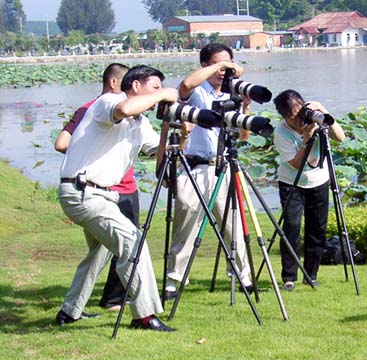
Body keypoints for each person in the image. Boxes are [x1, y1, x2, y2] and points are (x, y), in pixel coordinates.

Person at [56, 65, 178, 332]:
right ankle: (144, 316)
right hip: (83, 192)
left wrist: (176, 125)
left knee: (99, 251)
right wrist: (164, 95)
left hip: (99, 195)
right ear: (136, 87)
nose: (160, 93)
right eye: (155, 87)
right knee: (134, 243)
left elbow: (160, 150)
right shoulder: (109, 101)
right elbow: (123, 111)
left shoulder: (140, 122)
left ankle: (69, 311)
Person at [157, 43, 254, 299]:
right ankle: (174, 280)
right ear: (205, 65)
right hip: (196, 167)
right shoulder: (199, 92)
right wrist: (220, 66)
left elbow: (243, 136)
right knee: (186, 221)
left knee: (233, 225)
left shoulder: (233, 94)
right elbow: (186, 85)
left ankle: (243, 276)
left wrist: (244, 107)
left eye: (228, 64)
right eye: (217, 64)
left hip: (224, 166)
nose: (223, 71)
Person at [54, 62, 133, 312]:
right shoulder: (91, 109)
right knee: (128, 243)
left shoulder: (133, 115)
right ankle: (127, 305)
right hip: (98, 189)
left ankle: (74, 308)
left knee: (104, 249)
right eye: (128, 83)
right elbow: (61, 143)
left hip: (125, 187)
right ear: (113, 83)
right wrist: (91, 157)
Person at [272, 89, 345, 291]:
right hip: (292, 183)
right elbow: (296, 164)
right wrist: (306, 139)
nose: (299, 120)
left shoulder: (316, 119)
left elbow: (341, 138)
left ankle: (311, 275)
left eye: (300, 112)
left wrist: (323, 111)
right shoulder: (281, 132)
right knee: (292, 228)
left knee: (317, 229)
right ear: (284, 116)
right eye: (293, 117)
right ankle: (289, 277)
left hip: (319, 181)